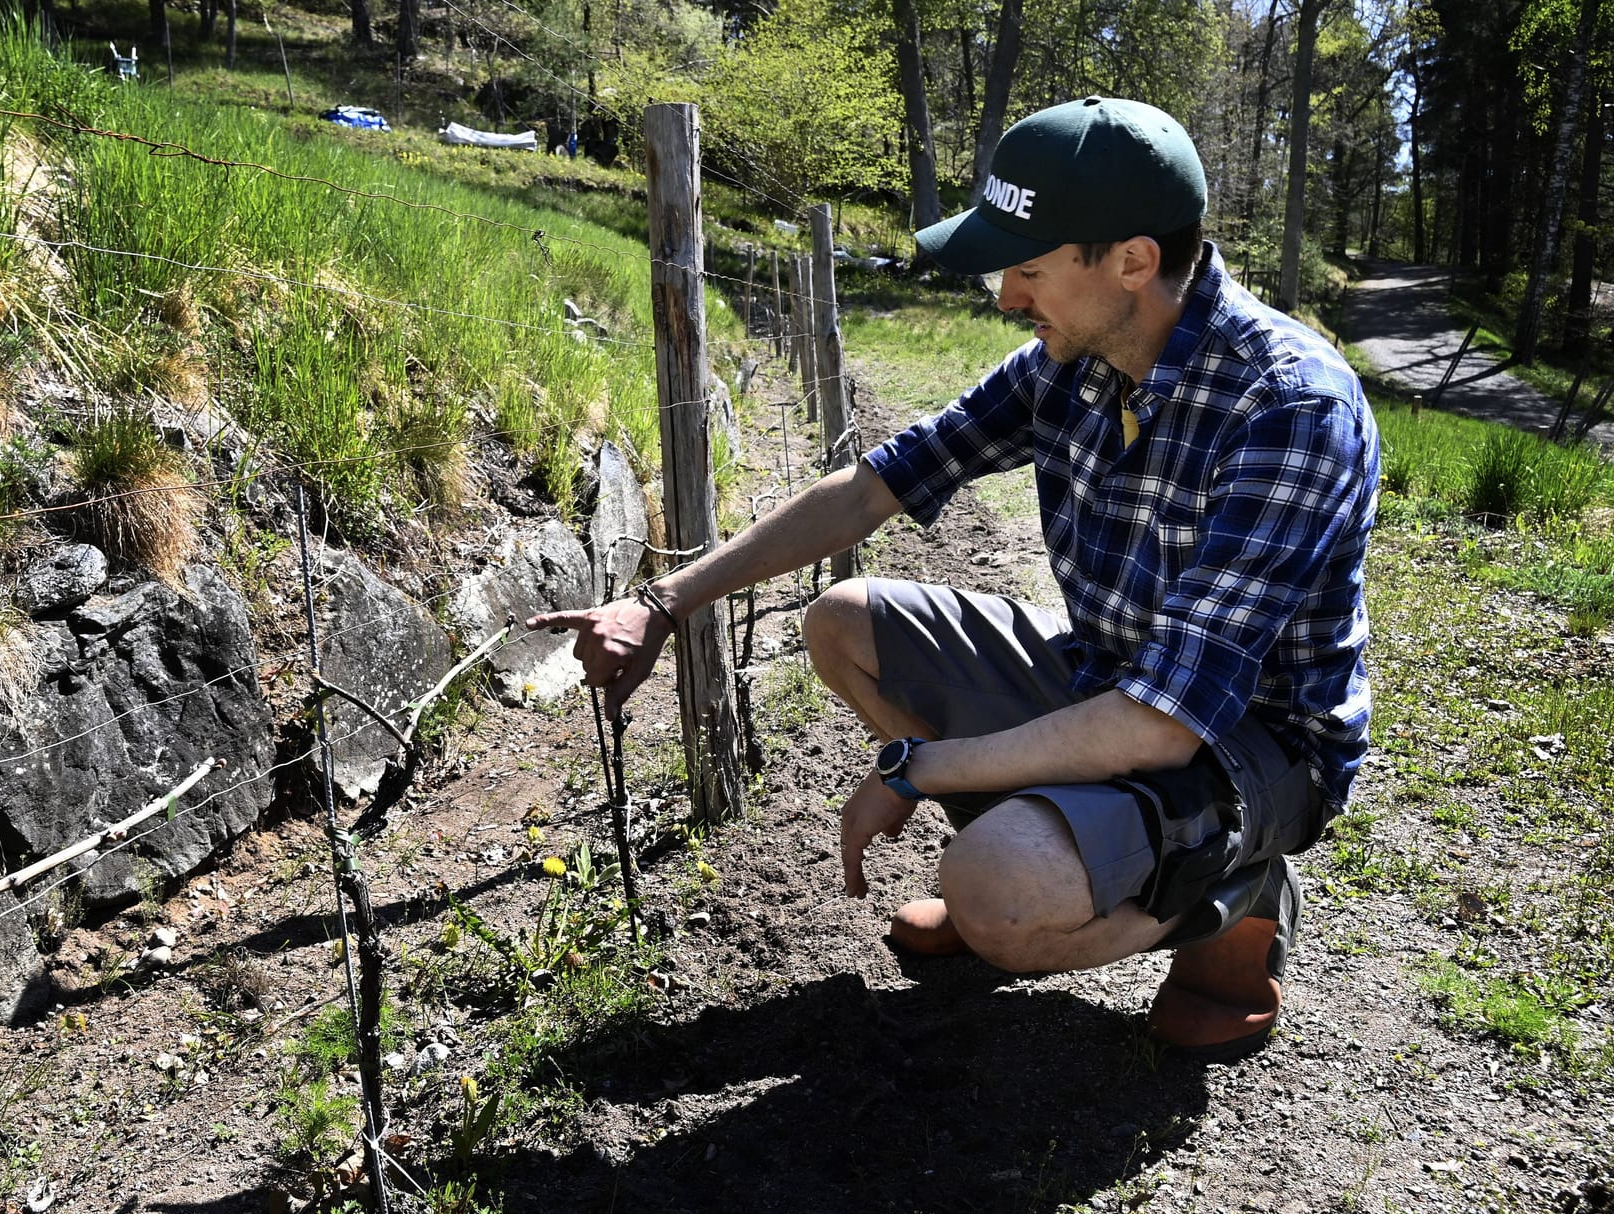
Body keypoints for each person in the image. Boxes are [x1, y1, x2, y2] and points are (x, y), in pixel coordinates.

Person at [527, 96, 1378, 1062]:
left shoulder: (1290, 407)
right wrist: (664, 602)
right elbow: (870, 488)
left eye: (1028, 269)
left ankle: (1236, 896)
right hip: (1108, 680)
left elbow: (1164, 720)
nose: (1006, 298)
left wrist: (913, 767)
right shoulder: (1071, 363)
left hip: (1248, 742)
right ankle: (1044, 844)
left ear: (1133, 262)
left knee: (995, 894)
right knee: (843, 624)